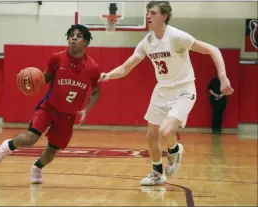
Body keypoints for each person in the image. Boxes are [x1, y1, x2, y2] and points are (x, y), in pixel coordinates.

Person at [99, 1, 234, 186]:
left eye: (153, 13)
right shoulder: (147, 42)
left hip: (184, 90)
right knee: (150, 135)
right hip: (162, 90)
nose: (148, 16)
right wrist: (108, 76)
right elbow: (126, 67)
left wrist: (223, 77)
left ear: (164, 16)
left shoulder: (176, 37)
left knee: (165, 131)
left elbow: (213, 49)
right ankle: (157, 173)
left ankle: (175, 149)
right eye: (147, 12)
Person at [0, 24, 101, 184]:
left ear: (85, 42)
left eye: (78, 36)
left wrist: (86, 110)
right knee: (30, 139)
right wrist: (31, 80)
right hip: (49, 107)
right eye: (71, 35)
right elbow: (46, 78)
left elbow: (96, 91)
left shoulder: (93, 67)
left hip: (68, 116)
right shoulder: (57, 58)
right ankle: (7, 146)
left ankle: (37, 167)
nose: (74, 38)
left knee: (50, 153)